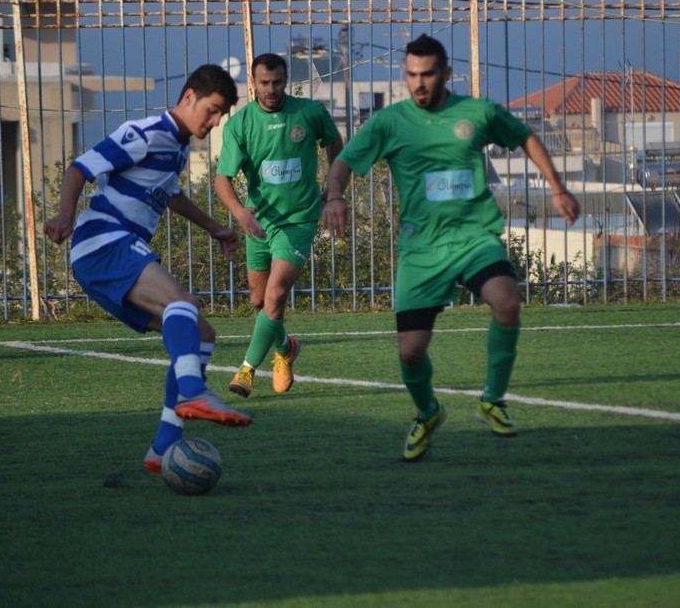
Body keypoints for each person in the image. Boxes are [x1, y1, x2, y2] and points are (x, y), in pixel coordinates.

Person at [322, 34, 579, 461]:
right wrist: (334, 197)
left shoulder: (476, 112)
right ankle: (428, 412)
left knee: (507, 301)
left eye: (427, 74)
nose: (418, 83)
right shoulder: (390, 122)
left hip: (474, 237)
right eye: (411, 75)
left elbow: (525, 136)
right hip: (422, 249)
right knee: (410, 352)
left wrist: (557, 187)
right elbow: (344, 161)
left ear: (445, 73)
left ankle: (492, 400)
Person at [44, 64, 252, 475]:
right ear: (189, 96)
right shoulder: (146, 132)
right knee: (182, 304)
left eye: (221, 115)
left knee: (202, 333)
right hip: (103, 241)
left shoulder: (176, 146)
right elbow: (80, 167)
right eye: (211, 111)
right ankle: (191, 392)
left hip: (114, 251)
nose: (214, 122)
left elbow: (170, 194)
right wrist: (65, 214)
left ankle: (163, 448)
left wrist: (215, 228)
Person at [214, 53, 343, 398]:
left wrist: (334, 190)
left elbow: (335, 144)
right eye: (264, 83)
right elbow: (222, 178)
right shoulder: (240, 124)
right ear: (253, 83)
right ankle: (285, 348)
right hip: (258, 223)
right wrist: (239, 211)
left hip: (299, 220)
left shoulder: (310, 112)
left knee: (276, 294)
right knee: (260, 302)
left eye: (277, 82)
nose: (271, 89)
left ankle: (246, 370)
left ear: (286, 81)